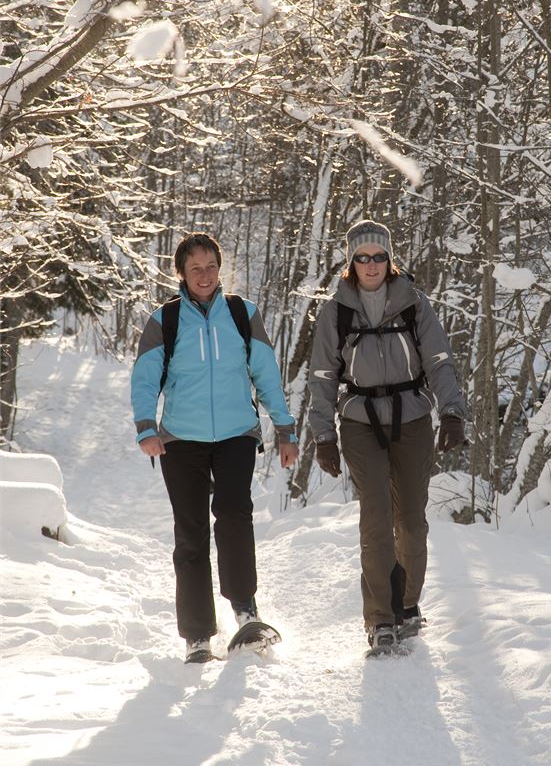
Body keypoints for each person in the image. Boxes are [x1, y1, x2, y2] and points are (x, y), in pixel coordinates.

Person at [131, 232, 298, 663]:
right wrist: (146, 427)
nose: (204, 275)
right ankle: (198, 637)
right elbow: (145, 379)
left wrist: (285, 429)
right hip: (181, 439)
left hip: (236, 434)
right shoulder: (165, 320)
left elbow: (266, 374)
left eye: (210, 267)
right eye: (195, 268)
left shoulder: (242, 313)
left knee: (235, 517)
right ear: (182, 274)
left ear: (220, 269)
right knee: (190, 532)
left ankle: (246, 613)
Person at [308, 219, 466, 652]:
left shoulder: (413, 303)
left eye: (379, 256)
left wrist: (452, 412)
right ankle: (380, 618)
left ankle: (406, 604)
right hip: (360, 422)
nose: (372, 264)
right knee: (376, 517)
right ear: (351, 262)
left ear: (389, 259)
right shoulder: (337, 311)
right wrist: (323, 436)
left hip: (411, 417)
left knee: (411, 522)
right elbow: (322, 376)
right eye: (363, 257)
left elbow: (439, 360)